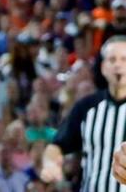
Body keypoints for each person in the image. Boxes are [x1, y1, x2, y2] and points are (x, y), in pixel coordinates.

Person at [42, 36, 126, 192]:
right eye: (112, 60)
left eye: (124, 59)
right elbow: (57, 145)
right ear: (103, 67)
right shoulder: (86, 107)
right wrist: (50, 163)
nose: (118, 65)